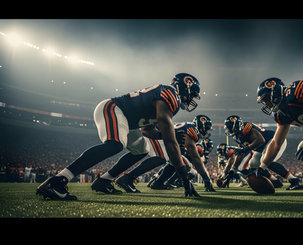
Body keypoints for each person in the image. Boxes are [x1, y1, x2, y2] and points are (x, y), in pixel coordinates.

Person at [36, 73, 201, 200]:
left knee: (142, 149)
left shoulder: (166, 98)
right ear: (185, 86)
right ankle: (58, 181)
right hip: (113, 108)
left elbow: (147, 130)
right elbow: (170, 140)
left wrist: (159, 135)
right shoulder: (171, 95)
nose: (192, 98)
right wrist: (183, 173)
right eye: (192, 93)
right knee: (114, 144)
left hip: (128, 121)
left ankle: (104, 181)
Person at [222, 115, 303, 190]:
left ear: (234, 126)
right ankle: (275, 182)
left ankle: (294, 181)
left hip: (274, 141)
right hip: (262, 148)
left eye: (228, 127)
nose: (227, 130)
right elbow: (240, 153)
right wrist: (232, 170)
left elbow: (260, 140)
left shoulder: (245, 127)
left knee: (266, 160)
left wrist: (245, 148)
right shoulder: (237, 136)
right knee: (253, 164)